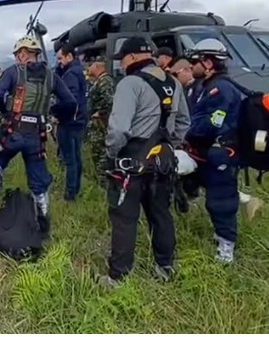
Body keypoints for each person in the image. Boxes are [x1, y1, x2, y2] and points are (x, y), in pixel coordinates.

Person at [101, 36, 190, 288]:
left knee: (124, 219)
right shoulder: (174, 82)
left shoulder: (130, 83)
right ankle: (165, 267)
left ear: (131, 58)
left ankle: (117, 277)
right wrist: (170, 144)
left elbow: (118, 129)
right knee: (161, 215)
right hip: (163, 160)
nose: (120, 65)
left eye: (122, 60)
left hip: (131, 161)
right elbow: (184, 122)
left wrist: (112, 153)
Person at [0, 36, 77, 234]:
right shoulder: (52, 76)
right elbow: (70, 102)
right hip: (37, 135)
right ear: (37, 54)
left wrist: (6, 111)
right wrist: (53, 113)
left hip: (13, 131)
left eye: (18, 55)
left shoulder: (13, 71)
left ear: (21, 54)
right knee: (38, 180)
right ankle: (42, 225)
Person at [184, 38, 244, 263]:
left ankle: (226, 248)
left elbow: (213, 123)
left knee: (221, 200)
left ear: (208, 63)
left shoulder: (221, 90)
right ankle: (219, 234)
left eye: (195, 61)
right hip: (206, 152)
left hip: (221, 153)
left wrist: (187, 132)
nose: (191, 65)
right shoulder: (205, 87)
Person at [54, 44, 88, 201]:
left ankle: (70, 194)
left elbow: (70, 101)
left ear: (69, 56)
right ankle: (75, 189)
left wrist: (55, 112)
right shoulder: (78, 71)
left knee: (70, 161)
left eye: (60, 58)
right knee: (76, 158)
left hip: (68, 122)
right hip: (79, 121)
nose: (58, 62)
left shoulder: (70, 75)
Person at [86, 56, 115, 188]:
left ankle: (106, 185)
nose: (88, 68)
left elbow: (108, 101)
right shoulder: (99, 81)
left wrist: (100, 113)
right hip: (96, 126)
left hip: (101, 126)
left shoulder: (105, 81)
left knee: (102, 155)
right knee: (97, 155)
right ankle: (102, 182)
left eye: (90, 65)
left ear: (97, 66)